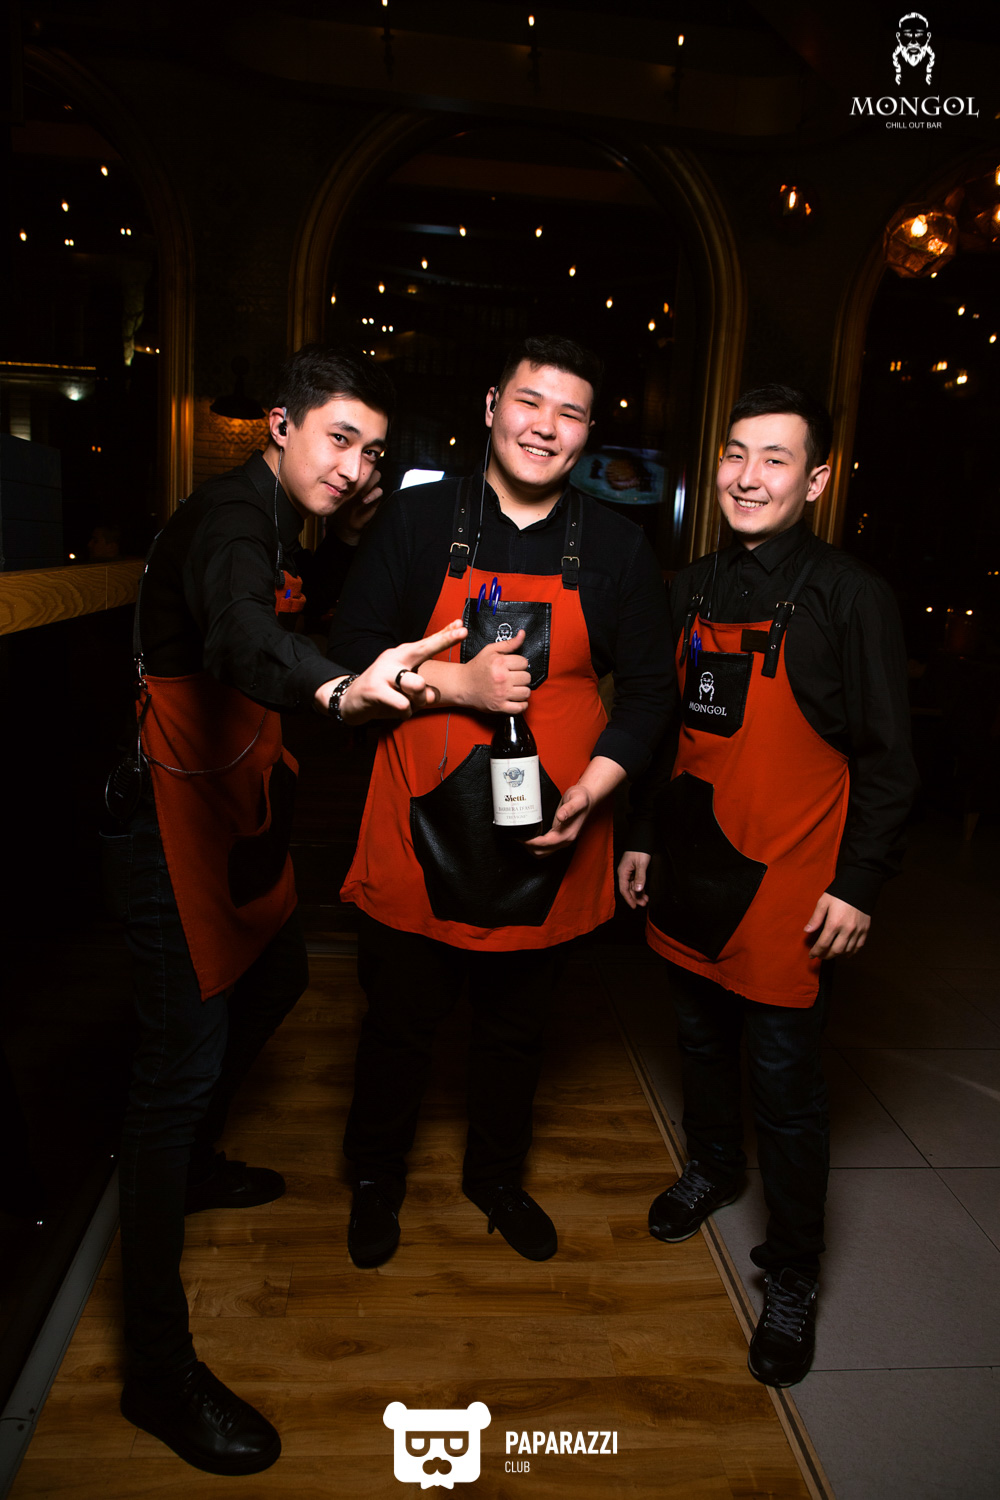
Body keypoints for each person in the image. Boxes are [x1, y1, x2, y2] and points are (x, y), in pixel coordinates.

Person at [101, 345, 466, 1476]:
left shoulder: (293, 522)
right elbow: (233, 631)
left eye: (373, 453)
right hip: (166, 817)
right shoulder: (232, 518)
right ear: (280, 425)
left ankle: (198, 1163)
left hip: (235, 801)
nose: (355, 468)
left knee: (282, 977)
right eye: (338, 439)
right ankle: (156, 1370)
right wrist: (335, 685)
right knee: (174, 1075)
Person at [328, 334, 672, 1270]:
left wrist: (596, 790)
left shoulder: (617, 547)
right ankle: (376, 1176)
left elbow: (650, 694)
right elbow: (351, 655)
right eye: (529, 402)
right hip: (418, 823)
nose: (544, 427)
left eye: (569, 413)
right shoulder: (415, 520)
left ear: (588, 433)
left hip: (550, 830)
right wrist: (458, 687)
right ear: (491, 406)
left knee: (517, 1031)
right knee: (398, 1025)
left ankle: (496, 1177)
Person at [618, 384, 918, 1389]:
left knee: (786, 1091)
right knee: (699, 1041)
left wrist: (858, 884)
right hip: (690, 861)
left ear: (817, 480)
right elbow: (665, 731)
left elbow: (889, 762)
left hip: (792, 881)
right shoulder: (692, 587)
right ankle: (711, 1168)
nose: (748, 478)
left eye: (776, 459)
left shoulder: (850, 597)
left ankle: (791, 1272)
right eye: (736, 454)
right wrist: (640, 837)